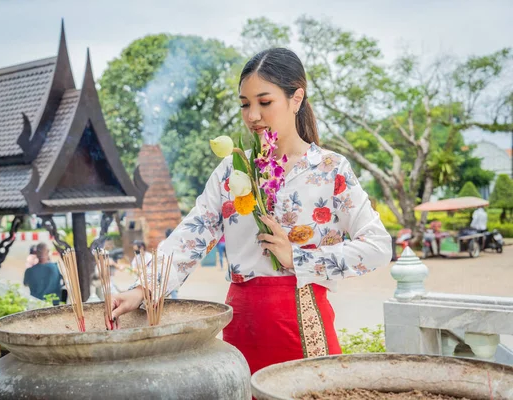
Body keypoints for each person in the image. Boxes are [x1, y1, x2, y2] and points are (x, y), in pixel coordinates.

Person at [110, 48, 392, 375]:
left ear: (296, 98)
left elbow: (378, 246)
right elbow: (193, 233)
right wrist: (143, 289)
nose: (252, 115)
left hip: (303, 323)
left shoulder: (329, 169)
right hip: (241, 325)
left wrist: (298, 258)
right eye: (245, 104)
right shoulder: (233, 168)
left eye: (264, 102)